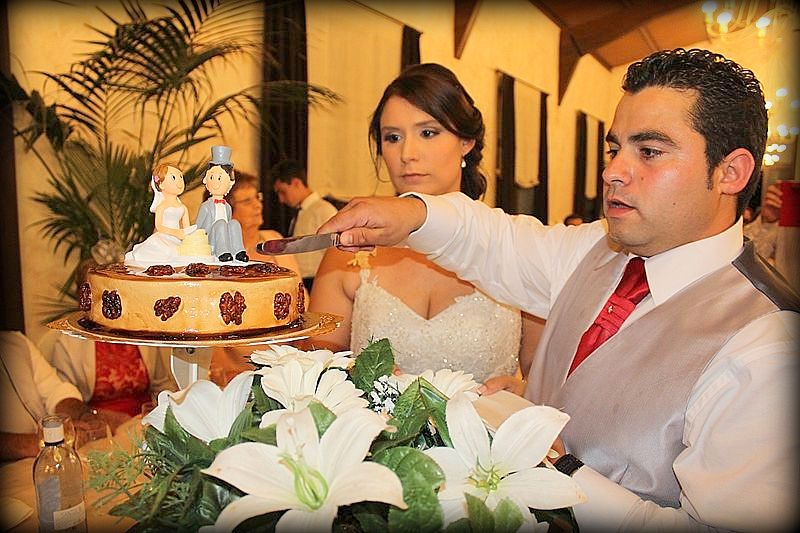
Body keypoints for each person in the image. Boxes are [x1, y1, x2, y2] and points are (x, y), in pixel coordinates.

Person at [319, 49, 798, 530]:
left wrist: (558, 469)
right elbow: (495, 241)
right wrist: (413, 214)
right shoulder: (596, 247)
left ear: (730, 172)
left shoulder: (766, 346)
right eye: (615, 150)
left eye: (648, 152)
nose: (614, 171)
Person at [310, 63, 541, 390]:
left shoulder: (514, 247)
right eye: (393, 137)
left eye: (428, 133)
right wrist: (351, 372)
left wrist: (522, 390)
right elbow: (316, 361)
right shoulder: (349, 251)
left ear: (466, 141)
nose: (407, 154)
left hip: (488, 435)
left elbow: (546, 376)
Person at [207, 171, 304, 386]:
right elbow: (209, 324)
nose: (258, 205)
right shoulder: (214, 255)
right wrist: (225, 373)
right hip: (237, 370)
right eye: (247, 201)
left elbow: (301, 298)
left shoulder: (274, 240)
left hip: (286, 361)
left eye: (257, 198)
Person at [1, 331, 122, 460]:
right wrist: (44, 441)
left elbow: (57, 390)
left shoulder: (17, 342)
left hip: (52, 457)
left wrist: (84, 416)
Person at [272, 159, 338, 291]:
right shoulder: (299, 213)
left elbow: (337, 251)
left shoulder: (323, 210)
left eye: (282, 192)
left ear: (297, 183)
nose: (281, 199)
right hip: (301, 281)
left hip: (318, 281)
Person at [125, 163, 196, 263]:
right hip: (164, 237)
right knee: (168, 252)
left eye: (181, 177)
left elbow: (186, 228)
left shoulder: (183, 208)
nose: (180, 181)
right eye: (174, 177)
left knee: (184, 253)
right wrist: (176, 232)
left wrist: (188, 236)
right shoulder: (162, 207)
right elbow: (159, 227)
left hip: (179, 239)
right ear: (161, 184)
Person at [196, 145, 248, 262]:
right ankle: (222, 253)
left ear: (230, 183)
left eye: (220, 178)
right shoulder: (206, 207)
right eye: (212, 177)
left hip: (225, 238)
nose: (216, 182)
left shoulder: (227, 207)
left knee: (234, 223)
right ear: (206, 180)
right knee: (220, 223)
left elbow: (229, 227)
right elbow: (198, 227)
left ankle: (238, 251)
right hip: (210, 240)